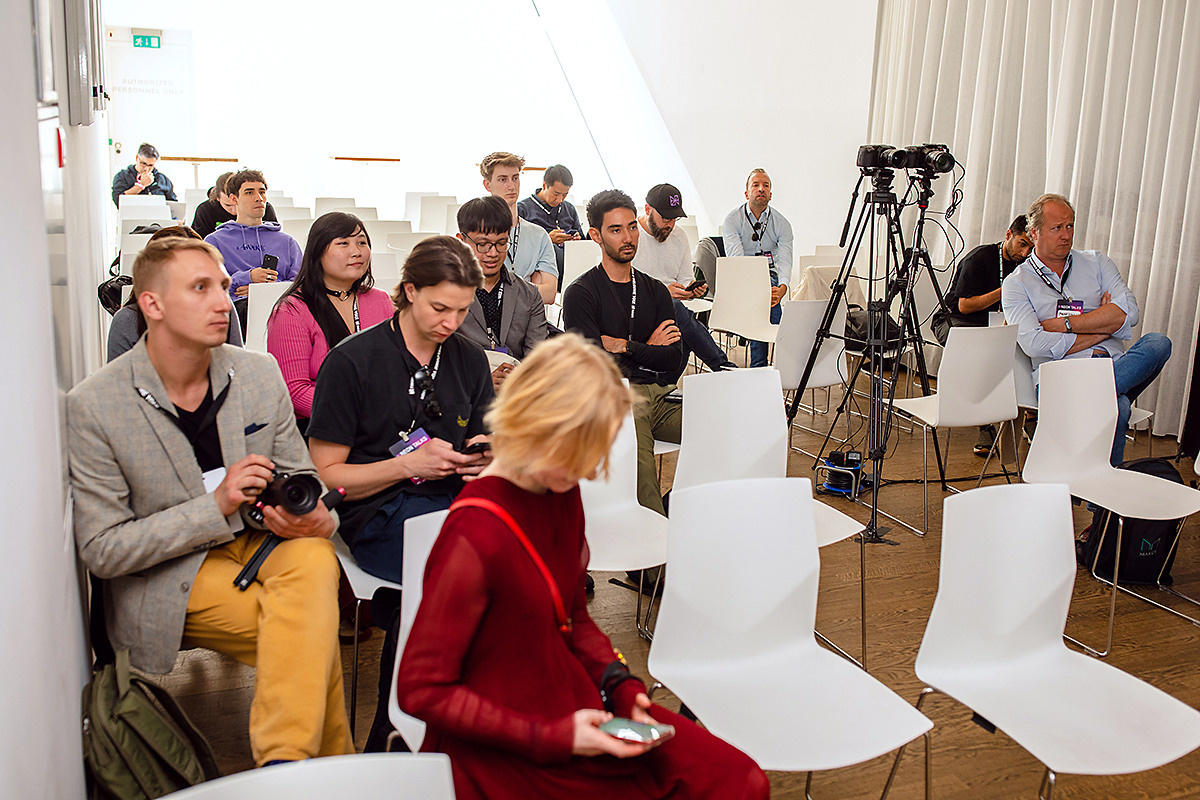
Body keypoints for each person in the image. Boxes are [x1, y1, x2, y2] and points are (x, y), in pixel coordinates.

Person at [396, 333, 770, 800]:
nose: (593, 472)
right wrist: (554, 736)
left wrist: (622, 685)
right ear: (539, 430)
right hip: (506, 735)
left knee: (738, 779)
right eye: (585, 451)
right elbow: (421, 690)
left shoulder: (560, 491)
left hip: (568, 701)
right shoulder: (473, 535)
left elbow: (574, 617)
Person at [68, 236, 352, 766]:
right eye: (201, 288)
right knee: (308, 639)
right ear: (151, 305)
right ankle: (307, 770)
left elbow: (302, 474)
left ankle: (287, 770)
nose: (225, 301)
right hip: (172, 572)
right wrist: (216, 503)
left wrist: (315, 513)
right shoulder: (95, 405)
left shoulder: (257, 373)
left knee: (314, 557)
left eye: (223, 286)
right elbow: (103, 550)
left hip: (267, 541)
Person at [306, 235, 494, 751]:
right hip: (373, 509)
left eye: (461, 310)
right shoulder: (353, 362)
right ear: (408, 291)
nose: (451, 323)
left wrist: (486, 455)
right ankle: (402, 732)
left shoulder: (469, 360)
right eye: (439, 307)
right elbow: (329, 475)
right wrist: (406, 464)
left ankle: (424, 732)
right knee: (452, 578)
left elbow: (481, 434)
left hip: (450, 502)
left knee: (496, 563)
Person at [1002, 193, 1172, 465]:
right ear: (1034, 233)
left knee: (1158, 343)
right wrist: (1104, 325)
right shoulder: (1017, 283)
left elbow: (1131, 313)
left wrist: (1064, 325)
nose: (1066, 235)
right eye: (1056, 228)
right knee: (1117, 407)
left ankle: (1080, 482)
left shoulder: (1097, 262)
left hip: (1111, 365)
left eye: (1070, 226)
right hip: (1059, 377)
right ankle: (1100, 504)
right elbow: (1034, 344)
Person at [563, 190, 683, 516]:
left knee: (727, 433)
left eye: (632, 227)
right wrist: (649, 349)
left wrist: (624, 346)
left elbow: (674, 359)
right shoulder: (580, 294)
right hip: (616, 398)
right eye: (616, 230)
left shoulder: (654, 290)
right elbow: (597, 369)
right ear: (596, 236)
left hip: (662, 393)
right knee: (642, 474)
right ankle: (653, 565)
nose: (628, 237)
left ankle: (677, 515)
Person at [266, 212, 395, 432]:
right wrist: (362, 411)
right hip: (323, 425)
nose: (357, 252)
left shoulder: (380, 300)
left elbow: (398, 368)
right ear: (318, 252)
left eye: (362, 242)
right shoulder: (292, 310)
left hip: (385, 420)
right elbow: (294, 392)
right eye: (343, 243)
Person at [932, 214, 1034, 455]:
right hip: (957, 320)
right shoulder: (979, 258)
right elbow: (964, 306)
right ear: (1008, 235)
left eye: (1031, 246)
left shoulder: (1029, 264)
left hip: (996, 323)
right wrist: (1005, 290)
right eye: (1022, 243)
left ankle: (1030, 413)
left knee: (1032, 344)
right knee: (981, 349)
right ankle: (986, 423)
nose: (1026, 252)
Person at [635, 183, 737, 374]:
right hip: (639, 309)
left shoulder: (679, 236)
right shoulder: (631, 236)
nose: (671, 225)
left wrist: (691, 290)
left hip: (673, 311)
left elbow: (685, 278)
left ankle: (667, 386)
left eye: (675, 219)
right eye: (666, 218)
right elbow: (625, 288)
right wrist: (663, 293)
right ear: (648, 209)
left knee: (682, 329)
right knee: (678, 313)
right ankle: (725, 368)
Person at [107, 225, 244, 361]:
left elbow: (236, 362)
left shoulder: (221, 305)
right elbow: (118, 379)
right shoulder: (128, 321)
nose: (223, 304)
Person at [455, 196, 550, 390]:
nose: (493, 253)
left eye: (501, 243)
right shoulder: (446, 294)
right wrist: (481, 381)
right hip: (464, 396)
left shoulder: (529, 294)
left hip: (519, 393)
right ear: (461, 241)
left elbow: (538, 357)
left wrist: (518, 379)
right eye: (483, 244)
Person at [721, 168, 794, 367]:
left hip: (769, 278)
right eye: (756, 185)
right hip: (740, 277)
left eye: (766, 185)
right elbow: (737, 260)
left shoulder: (782, 224)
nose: (761, 189)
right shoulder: (732, 220)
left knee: (768, 296)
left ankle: (760, 366)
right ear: (746, 194)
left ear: (771, 194)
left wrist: (782, 289)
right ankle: (774, 365)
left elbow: (785, 261)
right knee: (766, 298)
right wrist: (758, 286)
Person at [203, 170, 303, 301]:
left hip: (279, 309)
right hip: (235, 311)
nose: (259, 198)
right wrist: (248, 277)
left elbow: (301, 286)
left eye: (262, 192)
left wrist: (262, 291)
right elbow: (207, 285)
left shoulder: (287, 242)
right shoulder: (215, 241)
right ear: (234, 199)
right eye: (249, 192)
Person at [481, 152, 559, 304]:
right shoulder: (478, 234)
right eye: (503, 179)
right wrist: (531, 286)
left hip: (528, 322)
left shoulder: (538, 235)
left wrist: (502, 290)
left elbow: (549, 295)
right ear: (487, 185)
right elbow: (479, 292)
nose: (511, 186)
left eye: (515, 178)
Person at [517, 163, 585, 274]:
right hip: (539, 267)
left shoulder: (569, 208)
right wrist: (547, 240)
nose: (560, 200)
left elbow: (583, 241)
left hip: (572, 263)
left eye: (565, 195)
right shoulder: (523, 209)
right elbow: (518, 246)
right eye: (556, 194)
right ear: (544, 186)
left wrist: (576, 239)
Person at [191, 171, 279, 238]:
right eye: (228, 205)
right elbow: (198, 242)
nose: (234, 210)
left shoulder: (263, 208)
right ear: (218, 199)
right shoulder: (205, 210)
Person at [111, 142, 177, 206]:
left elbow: (173, 204)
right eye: (143, 163)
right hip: (132, 216)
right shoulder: (122, 176)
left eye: (150, 165)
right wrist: (141, 185)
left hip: (157, 215)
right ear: (137, 158)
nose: (146, 168)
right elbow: (118, 201)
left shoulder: (162, 179)